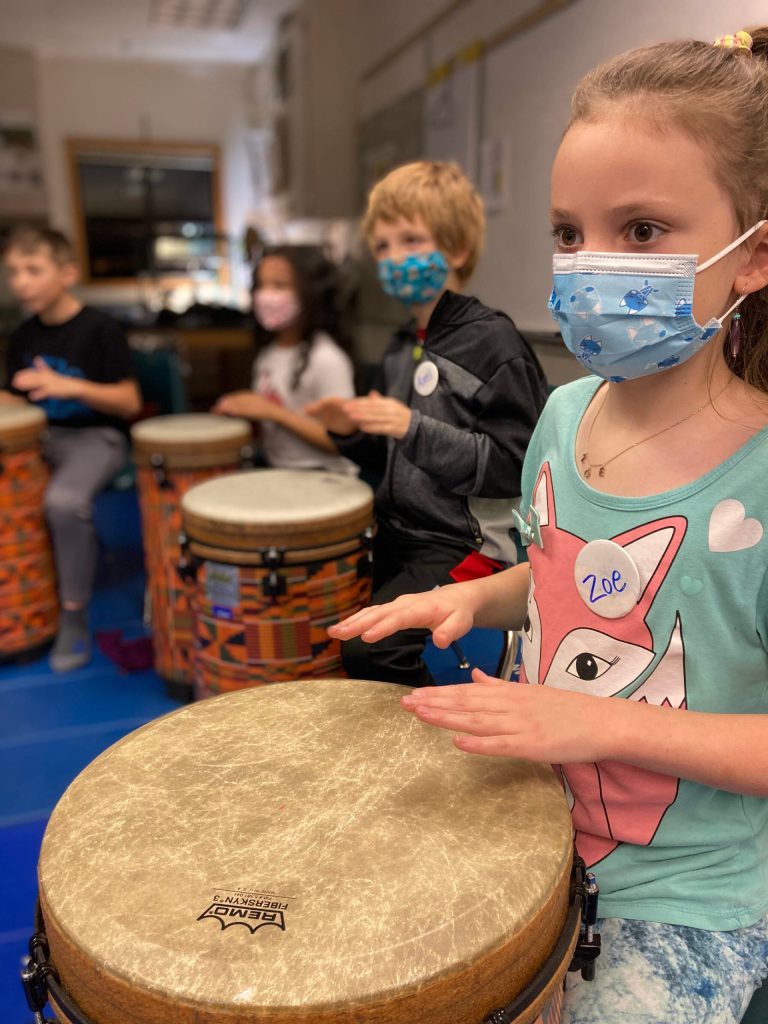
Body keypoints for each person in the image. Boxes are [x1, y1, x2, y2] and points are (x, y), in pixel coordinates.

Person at [328, 30, 768, 1024]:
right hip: (535, 810)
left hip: (686, 897)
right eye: (571, 234)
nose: (593, 262)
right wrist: (468, 596)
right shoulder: (569, 418)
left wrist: (596, 720)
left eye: (644, 229)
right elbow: (561, 574)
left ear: (754, 258)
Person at [308, 160, 548, 686]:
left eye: (411, 240)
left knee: (372, 650)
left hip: (467, 546)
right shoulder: (400, 346)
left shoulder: (492, 342)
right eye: (384, 245)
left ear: (457, 249)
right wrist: (347, 431)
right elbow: (396, 462)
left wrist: (410, 427)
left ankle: (424, 756)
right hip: (400, 529)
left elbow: (517, 467)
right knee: (322, 625)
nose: (395, 257)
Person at [1, 226, 141, 672]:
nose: (20, 281)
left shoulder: (101, 329)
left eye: (32, 269)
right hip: (44, 439)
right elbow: (17, 400)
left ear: (67, 273)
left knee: (63, 503)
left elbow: (129, 401)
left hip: (98, 437)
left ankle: (73, 615)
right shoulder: (22, 336)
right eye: (13, 272)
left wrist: (66, 386)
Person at [212, 245, 357, 475]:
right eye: (261, 285)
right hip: (281, 471)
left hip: (325, 476)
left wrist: (272, 411)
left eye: (280, 285)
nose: (267, 295)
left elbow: (341, 442)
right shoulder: (268, 353)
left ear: (310, 291)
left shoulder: (327, 359)